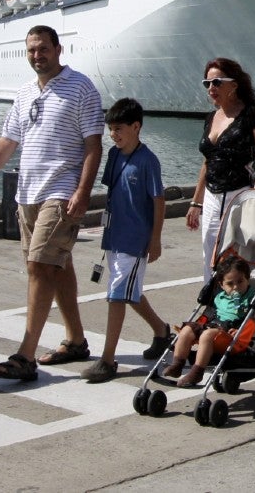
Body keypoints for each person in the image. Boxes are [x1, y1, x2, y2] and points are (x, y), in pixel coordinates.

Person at [0, 26, 104, 382]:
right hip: (27, 192)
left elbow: (93, 146)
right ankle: (75, 341)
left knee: (39, 266)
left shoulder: (81, 87)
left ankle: (25, 355)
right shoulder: (25, 92)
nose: (37, 55)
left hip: (61, 189)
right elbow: (8, 139)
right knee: (56, 266)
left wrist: (83, 192)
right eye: (31, 50)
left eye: (43, 49)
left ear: (59, 49)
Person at [83, 98, 173, 383]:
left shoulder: (148, 161)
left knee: (117, 294)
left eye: (119, 128)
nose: (114, 134)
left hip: (136, 240)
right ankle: (161, 332)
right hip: (115, 236)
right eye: (111, 129)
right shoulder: (114, 155)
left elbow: (158, 201)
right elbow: (112, 193)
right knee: (127, 291)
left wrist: (155, 239)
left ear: (136, 127)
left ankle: (108, 360)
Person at [190, 58, 255, 281]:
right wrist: (196, 202)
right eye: (207, 83)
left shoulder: (252, 113)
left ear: (234, 84)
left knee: (235, 255)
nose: (211, 88)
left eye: (217, 82)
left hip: (240, 194)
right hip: (212, 195)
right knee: (209, 252)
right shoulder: (211, 118)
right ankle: (211, 302)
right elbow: (208, 161)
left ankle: (236, 302)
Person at [164, 255, 255, 387]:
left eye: (240, 281)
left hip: (230, 333)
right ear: (221, 284)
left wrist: (241, 330)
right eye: (230, 284)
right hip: (212, 324)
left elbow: (254, 319)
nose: (236, 287)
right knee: (186, 330)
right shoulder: (219, 296)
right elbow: (209, 313)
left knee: (207, 335)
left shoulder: (252, 296)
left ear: (247, 279)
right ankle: (177, 365)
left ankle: (197, 372)